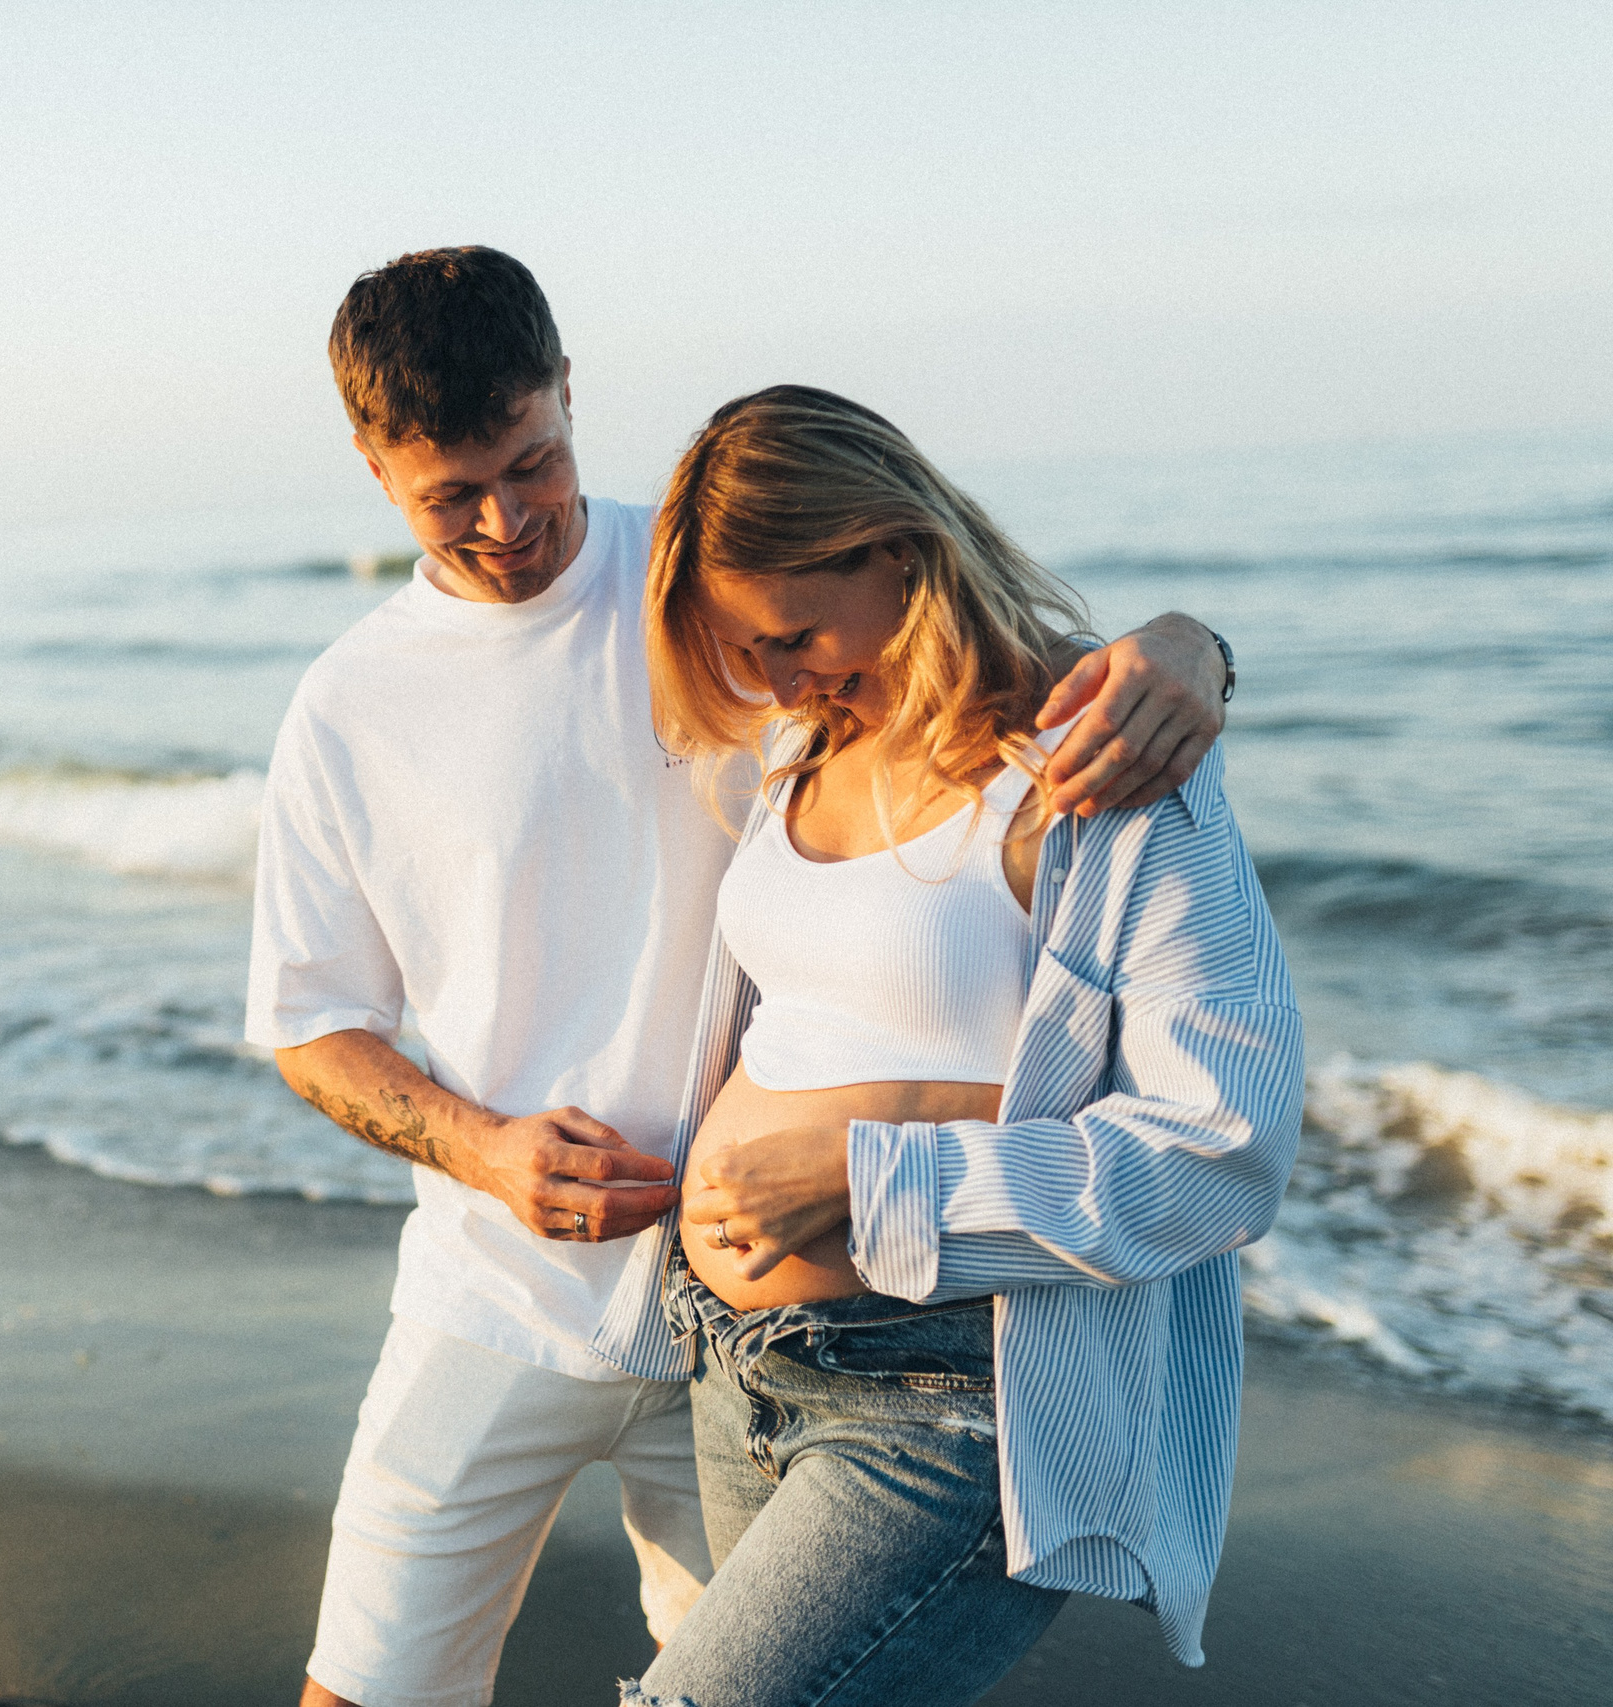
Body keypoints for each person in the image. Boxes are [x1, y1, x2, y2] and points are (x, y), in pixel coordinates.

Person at [245, 247, 1233, 1707]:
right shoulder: (348, 708)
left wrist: (1190, 650)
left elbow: (953, 668)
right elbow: (312, 1025)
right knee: (365, 1687)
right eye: (452, 494)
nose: (508, 521)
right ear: (372, 464)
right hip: (503, 1292)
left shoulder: (707, 593)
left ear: (567, 391)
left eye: (534, 462)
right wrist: (487, 1151)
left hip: (763, 1329)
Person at [618, 386, 1303, 1707]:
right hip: (738, 1365)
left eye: (795, 636)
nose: (778, 683)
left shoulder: (1099, 770)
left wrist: (867, 1180)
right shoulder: (806, 738)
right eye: (746, 652)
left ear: (898, 550)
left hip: (947, 1395)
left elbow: (1223, 1150)